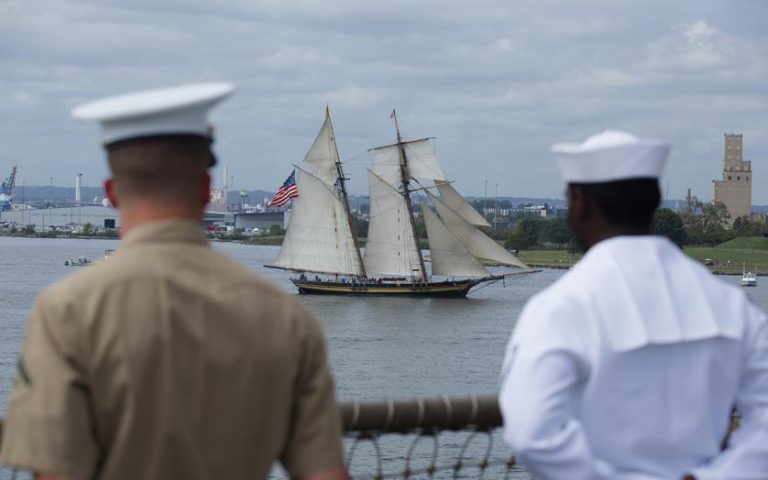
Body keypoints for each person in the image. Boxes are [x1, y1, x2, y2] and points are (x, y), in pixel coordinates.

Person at [0, 83, 348, 480]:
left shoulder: (67, 309)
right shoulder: (287, 318)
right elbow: (325, 474)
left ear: (111, 193)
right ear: (204, 190)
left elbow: (55, 472)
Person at [499, 130, 768, 479]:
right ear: (653, 203)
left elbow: (530, 433)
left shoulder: (559, 308)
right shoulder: (732, 304)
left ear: (580, 204)